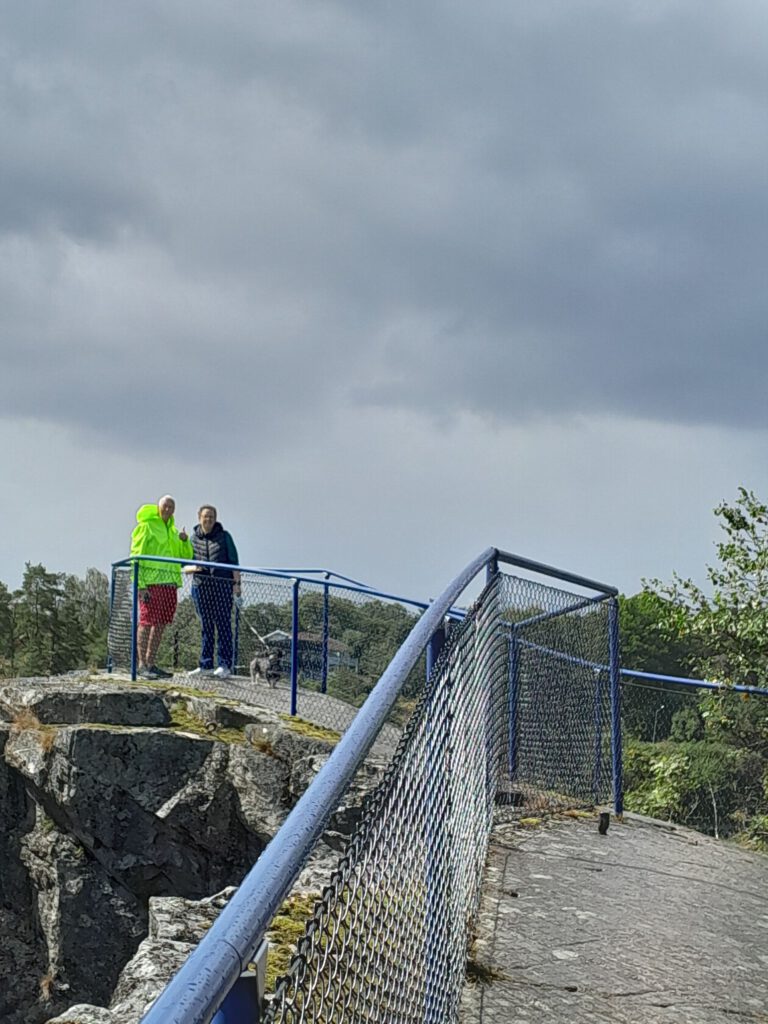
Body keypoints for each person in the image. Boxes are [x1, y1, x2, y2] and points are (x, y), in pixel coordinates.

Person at [130, 495, 192, 680]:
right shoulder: (146, 526)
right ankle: (141, 665)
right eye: (165, 506)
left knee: (161, 624)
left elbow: (185, 558)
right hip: (151, 583)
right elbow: (136, 555)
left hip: (170, 584)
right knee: (146, 622)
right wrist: (140, 585)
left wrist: (184, 541)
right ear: (158, 507)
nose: (168, 509)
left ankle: (151, 663)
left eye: (171, 507)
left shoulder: (173, 532)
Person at [188, 505, 241, 679]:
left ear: (215, 518)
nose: (208, 519)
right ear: (199, 517)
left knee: (223, 624)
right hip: (201, 586)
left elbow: (234, 562)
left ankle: (224, 665)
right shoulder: (192, 539)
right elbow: (185, 563)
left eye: (211, 516)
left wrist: (237, 584)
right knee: (206, 625)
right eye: (205, 516)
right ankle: (206, 664)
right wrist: (194, 568)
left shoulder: (225, 536)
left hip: (222, 586)